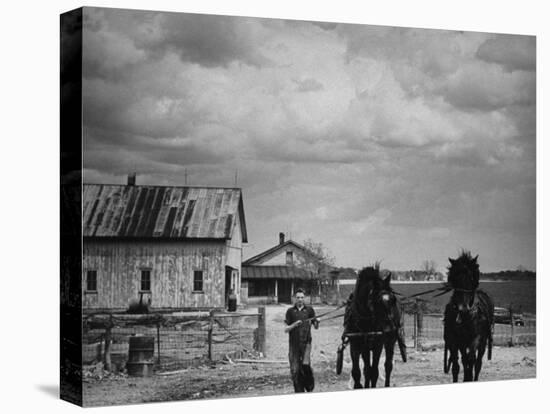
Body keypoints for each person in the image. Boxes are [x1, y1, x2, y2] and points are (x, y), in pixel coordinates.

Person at [284, 288, 319, 392]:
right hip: (294, 344)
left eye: (302, 297)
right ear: (295, 298)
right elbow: (286, 329)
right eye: (298, 297)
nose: (300, 299)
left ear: (305, 298)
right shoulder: (290, 311)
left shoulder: (309, 310)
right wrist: (295, 324)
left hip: (307, 343)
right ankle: (299, 390)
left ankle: (309, 384)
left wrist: (317, 321)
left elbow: (316, 326)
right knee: (295, 369)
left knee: (305, 365)